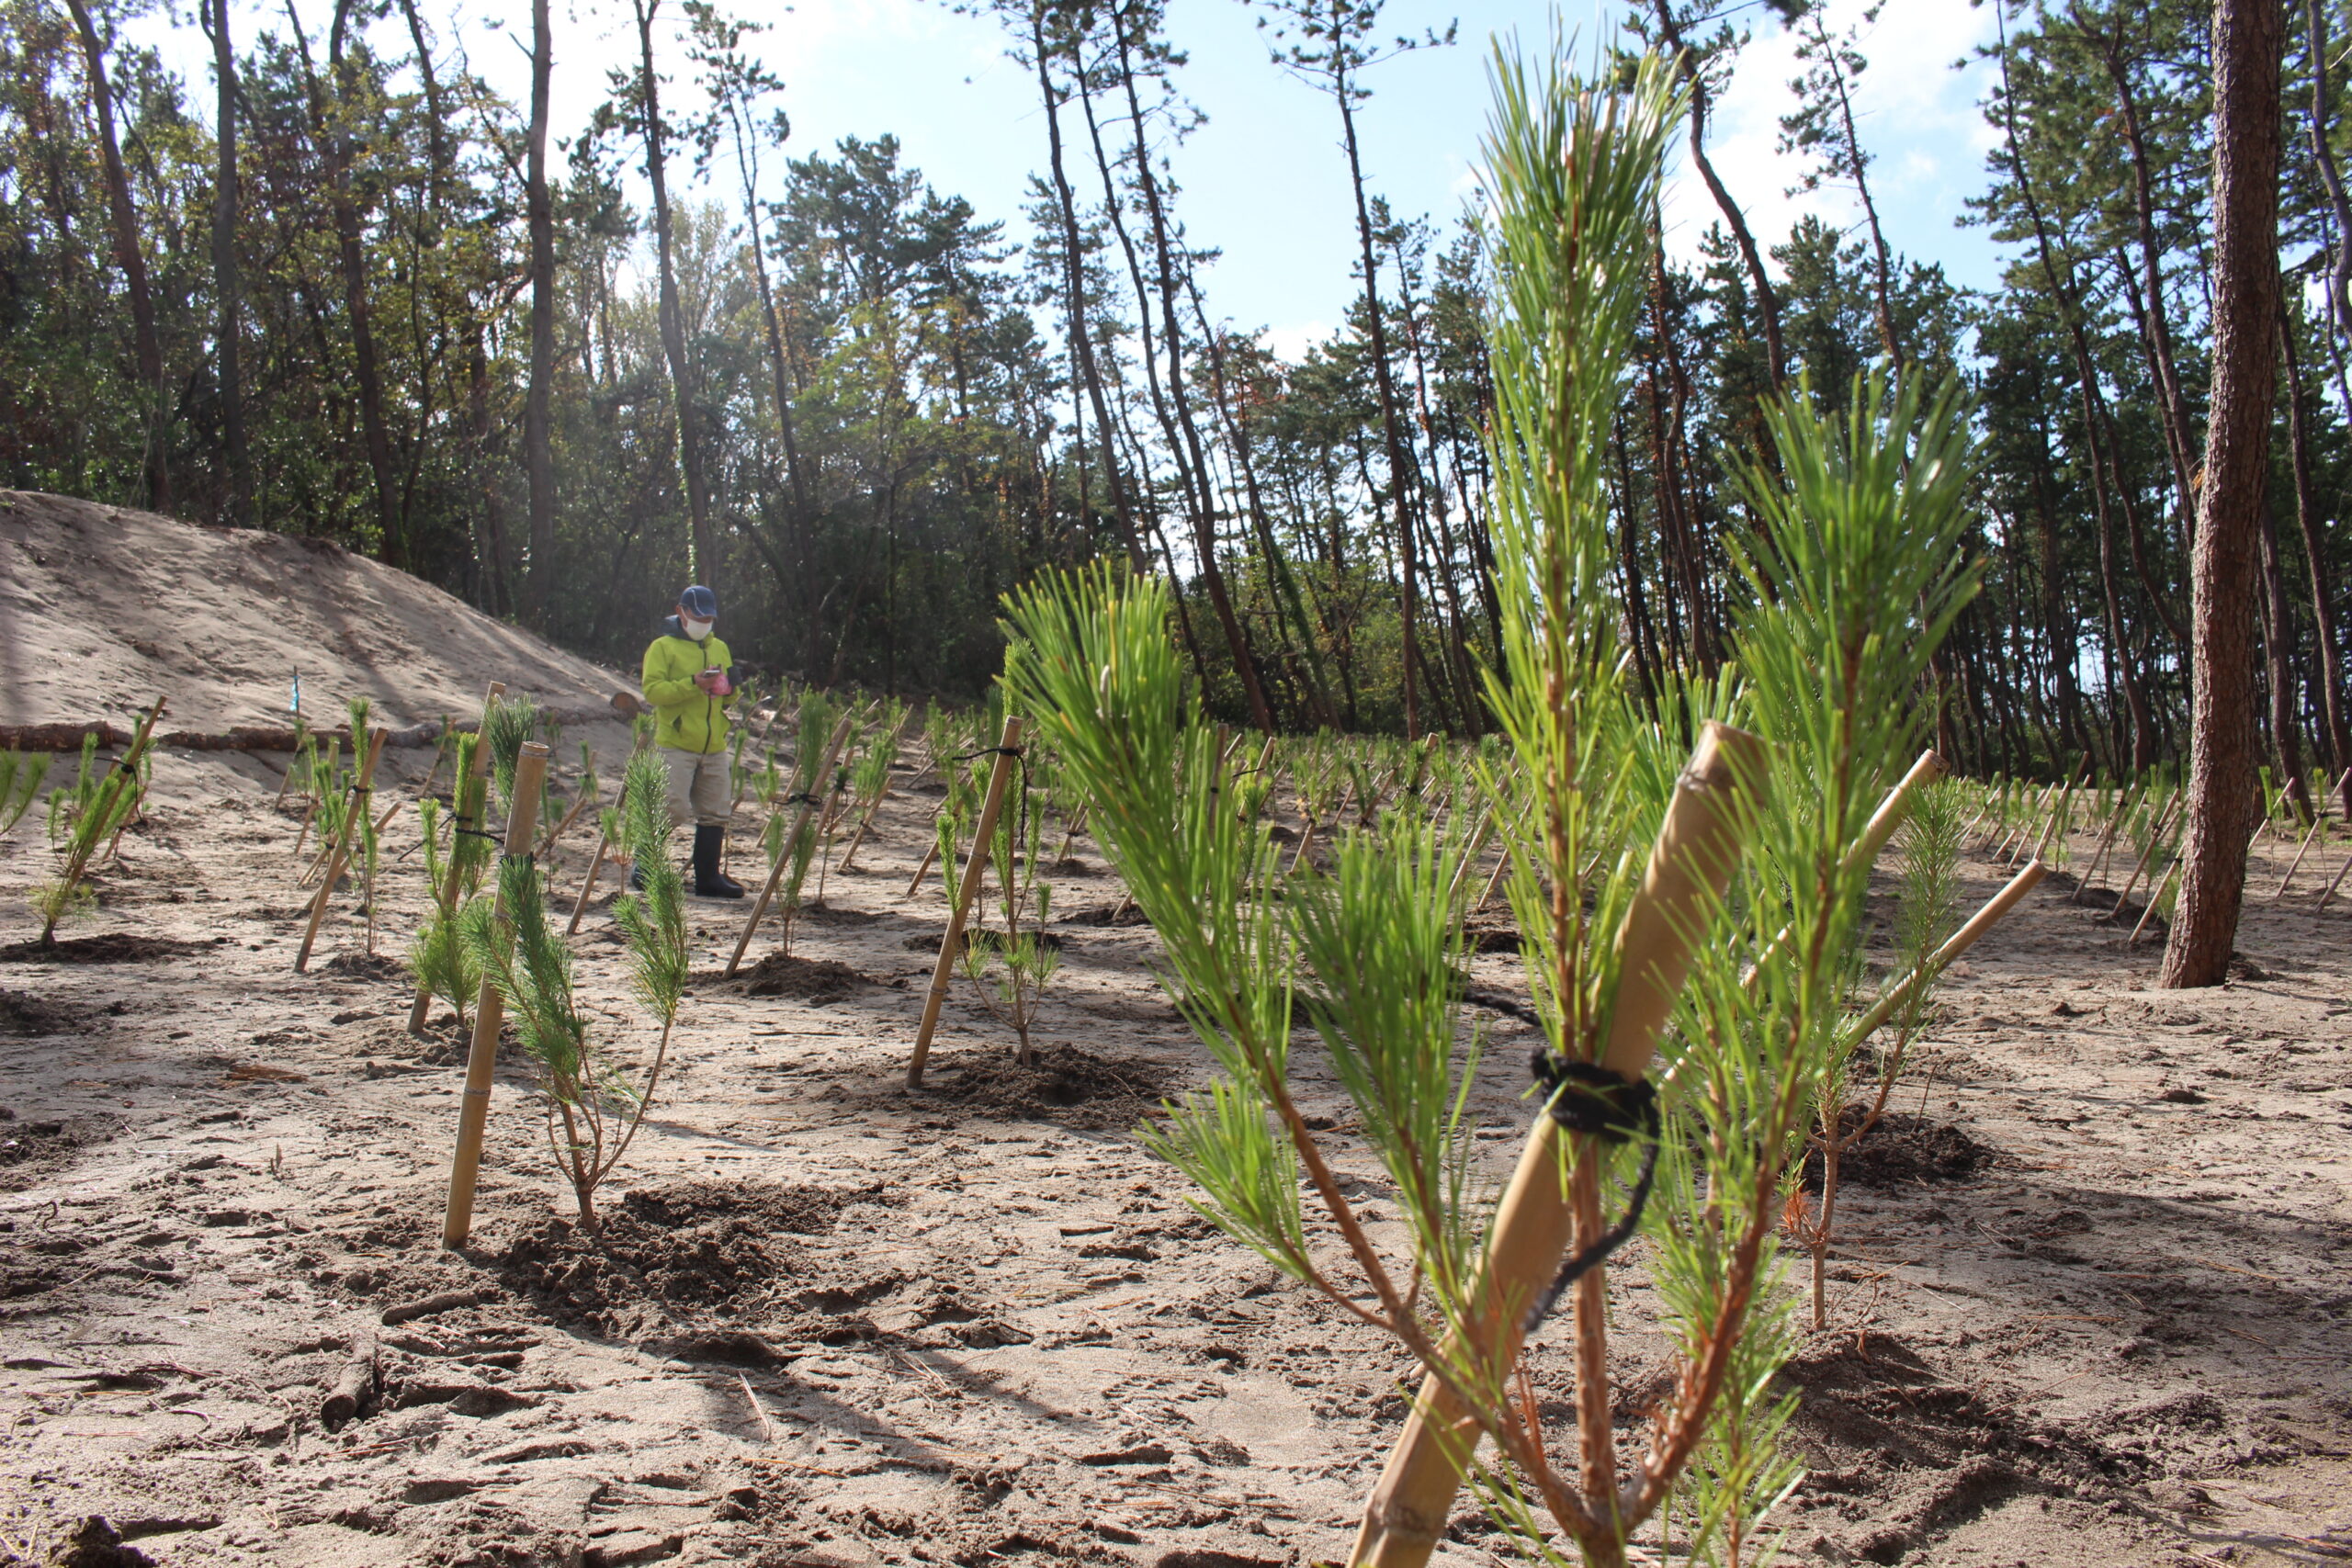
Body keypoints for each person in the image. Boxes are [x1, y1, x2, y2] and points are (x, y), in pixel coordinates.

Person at [639, 584, 745, 897]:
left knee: (715, 811)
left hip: (713, 745)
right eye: (698, 615)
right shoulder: (662, 647)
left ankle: (708, 878)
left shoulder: (720, 648)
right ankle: (644, 867)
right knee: (671, 807)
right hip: (676, 742)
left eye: (709, 616)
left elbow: (729, 699)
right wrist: (692, 684)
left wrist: (730, 689)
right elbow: (653, 692)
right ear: (680, 612)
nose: (704, 622)